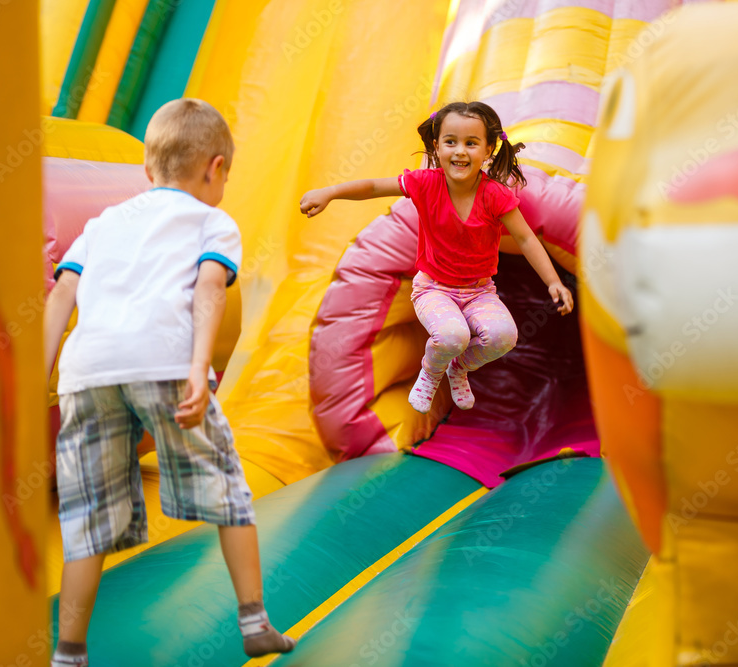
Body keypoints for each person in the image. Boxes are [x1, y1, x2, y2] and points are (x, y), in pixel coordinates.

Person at [43, 99, 295, 667]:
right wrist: (197, 370)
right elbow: (208, 290)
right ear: (217, 168)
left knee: (87, 520)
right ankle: (255, 623)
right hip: (164, 364)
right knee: (230, 496)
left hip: (88, 374)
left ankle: (68, 652)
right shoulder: (213, 222)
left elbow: (60, 296)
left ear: (147, 170)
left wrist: (39, 378)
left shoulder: (102, 223)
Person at [300, 101, 574, 414]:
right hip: (433, 288)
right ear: (437, 146)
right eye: (450, 142)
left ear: (488, 150)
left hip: (479, 290)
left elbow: (526, 237)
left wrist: (554, 281)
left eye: (471, 143)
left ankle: (458, 368)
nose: (460, 151)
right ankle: (431, 373)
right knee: (451, 335)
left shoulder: (495, 194)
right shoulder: (426, 184)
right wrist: (330, 192)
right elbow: (375, 185)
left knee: (503, 337)